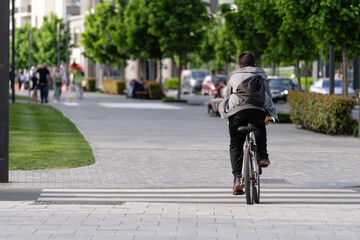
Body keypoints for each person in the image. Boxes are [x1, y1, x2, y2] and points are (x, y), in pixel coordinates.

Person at [219, 51, 278, 195]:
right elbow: (267, 95)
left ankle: (237, 179)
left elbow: (227, 97)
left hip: (237, 112)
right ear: (255, 64)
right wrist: (269, 114)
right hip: (257, 110)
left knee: (235, 143)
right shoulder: (261, 74)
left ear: (239, 65)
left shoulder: (234, 76)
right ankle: (263, 156)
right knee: (260, 125)